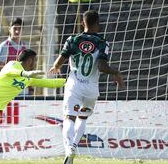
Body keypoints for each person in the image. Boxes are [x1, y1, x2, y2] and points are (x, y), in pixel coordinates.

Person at [0, 49, 66, 161]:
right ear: (30, 60)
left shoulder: (28, 79)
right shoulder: (13, 64)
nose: (35, 63)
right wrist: (25, 73)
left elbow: (50, 83)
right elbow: (10, 71)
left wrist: (68, 81)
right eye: (34, 60)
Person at [49, 10, 124, 164]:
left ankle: (69, 148)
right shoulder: (103, 43)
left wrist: (55, 68)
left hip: (74, 86)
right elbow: (102, 67)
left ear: (82, 23)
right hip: (91, 89)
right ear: (98, 24)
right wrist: (115, 72)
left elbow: (58, 63)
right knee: (82, 117)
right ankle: (73, 149)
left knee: (69, 117)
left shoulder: (73, 40)